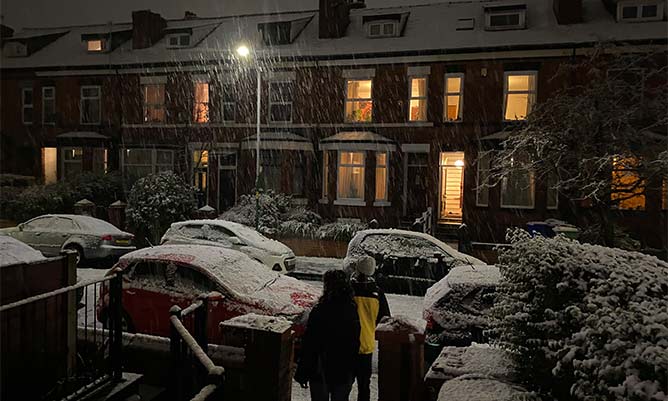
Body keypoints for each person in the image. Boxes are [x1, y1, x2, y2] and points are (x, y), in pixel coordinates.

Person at [295, 270, 361, 401]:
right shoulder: (351, 309)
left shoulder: (320, 310)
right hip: (343, 369)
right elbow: (355, 342)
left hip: (321, 369)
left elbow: (309, 343)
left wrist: (303, 371)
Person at [350, 256, 391, 401]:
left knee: (343, 385)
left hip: (347, 344)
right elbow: (385, 320)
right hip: (366, 345)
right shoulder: (377, 293)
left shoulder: (349, 291)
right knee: (364, 385)